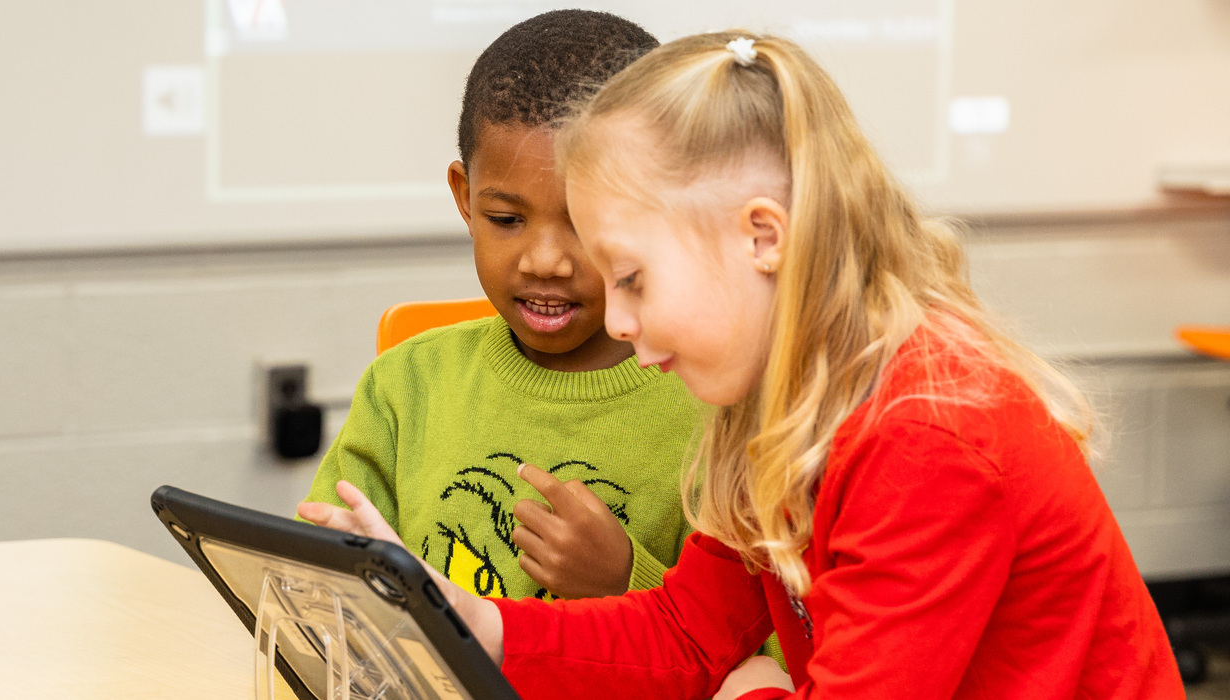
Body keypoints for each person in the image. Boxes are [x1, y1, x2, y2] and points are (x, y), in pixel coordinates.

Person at [305, 32, 1183, 700]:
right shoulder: (776, 406)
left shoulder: (928, 431)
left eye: (635, 279)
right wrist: (477, 626)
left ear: (760, 237)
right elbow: (689, 635)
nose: (619, 323)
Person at [297, 10, 692, 604]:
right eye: (506, 220)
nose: (544, 262)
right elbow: (310, 582)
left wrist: (622, 582)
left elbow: (784, 661)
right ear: (464, 198)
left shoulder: (719, 412)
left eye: (584, 223)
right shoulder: (406, 387)